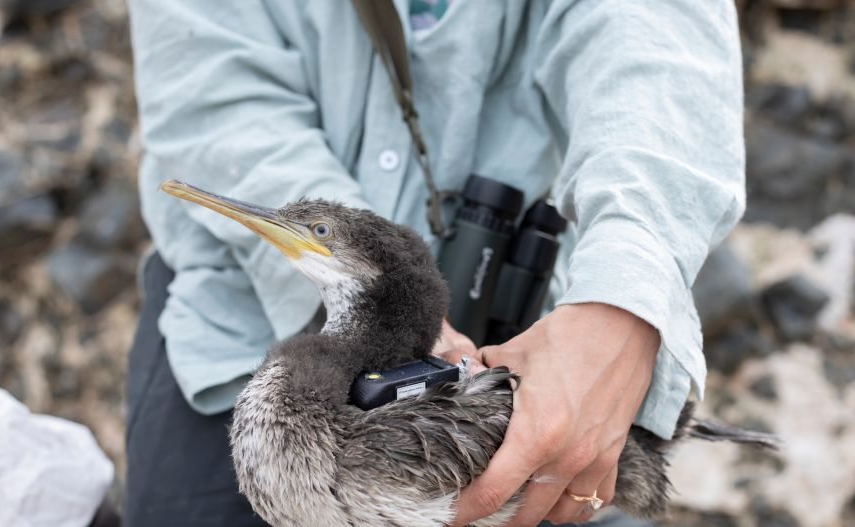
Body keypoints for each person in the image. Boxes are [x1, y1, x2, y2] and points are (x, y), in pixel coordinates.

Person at [124, 1, 745, 526]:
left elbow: (657, 51)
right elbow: (214, 93)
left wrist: (623, 304)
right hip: (232, 327)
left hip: (539, 343)